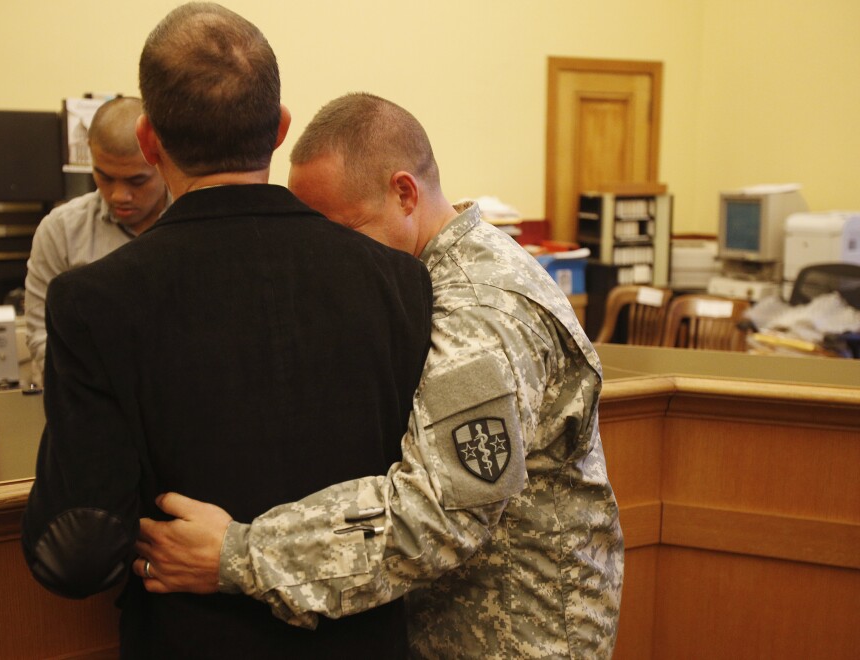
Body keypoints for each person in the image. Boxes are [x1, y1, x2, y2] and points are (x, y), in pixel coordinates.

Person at [135, 93, 625, 658]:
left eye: (344, 231)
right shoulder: (429, 276)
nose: (332, 256)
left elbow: (439, 514)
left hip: (516, 636)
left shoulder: (480, 311)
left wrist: (240, 554)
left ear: (404, 193)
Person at [20, 6, 432, 659]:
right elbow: (427, 503)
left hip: (191, 638)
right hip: (364, 640)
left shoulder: (94, 302)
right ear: (280, 129)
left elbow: (76, 554)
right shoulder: (398, 281)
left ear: (151, 143)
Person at [24, 96, 168, 385]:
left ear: (164, 161)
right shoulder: (61, 231)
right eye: (104, 177)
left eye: (136, 181)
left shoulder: (194, 225)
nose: (118, 195)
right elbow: (42, 338)